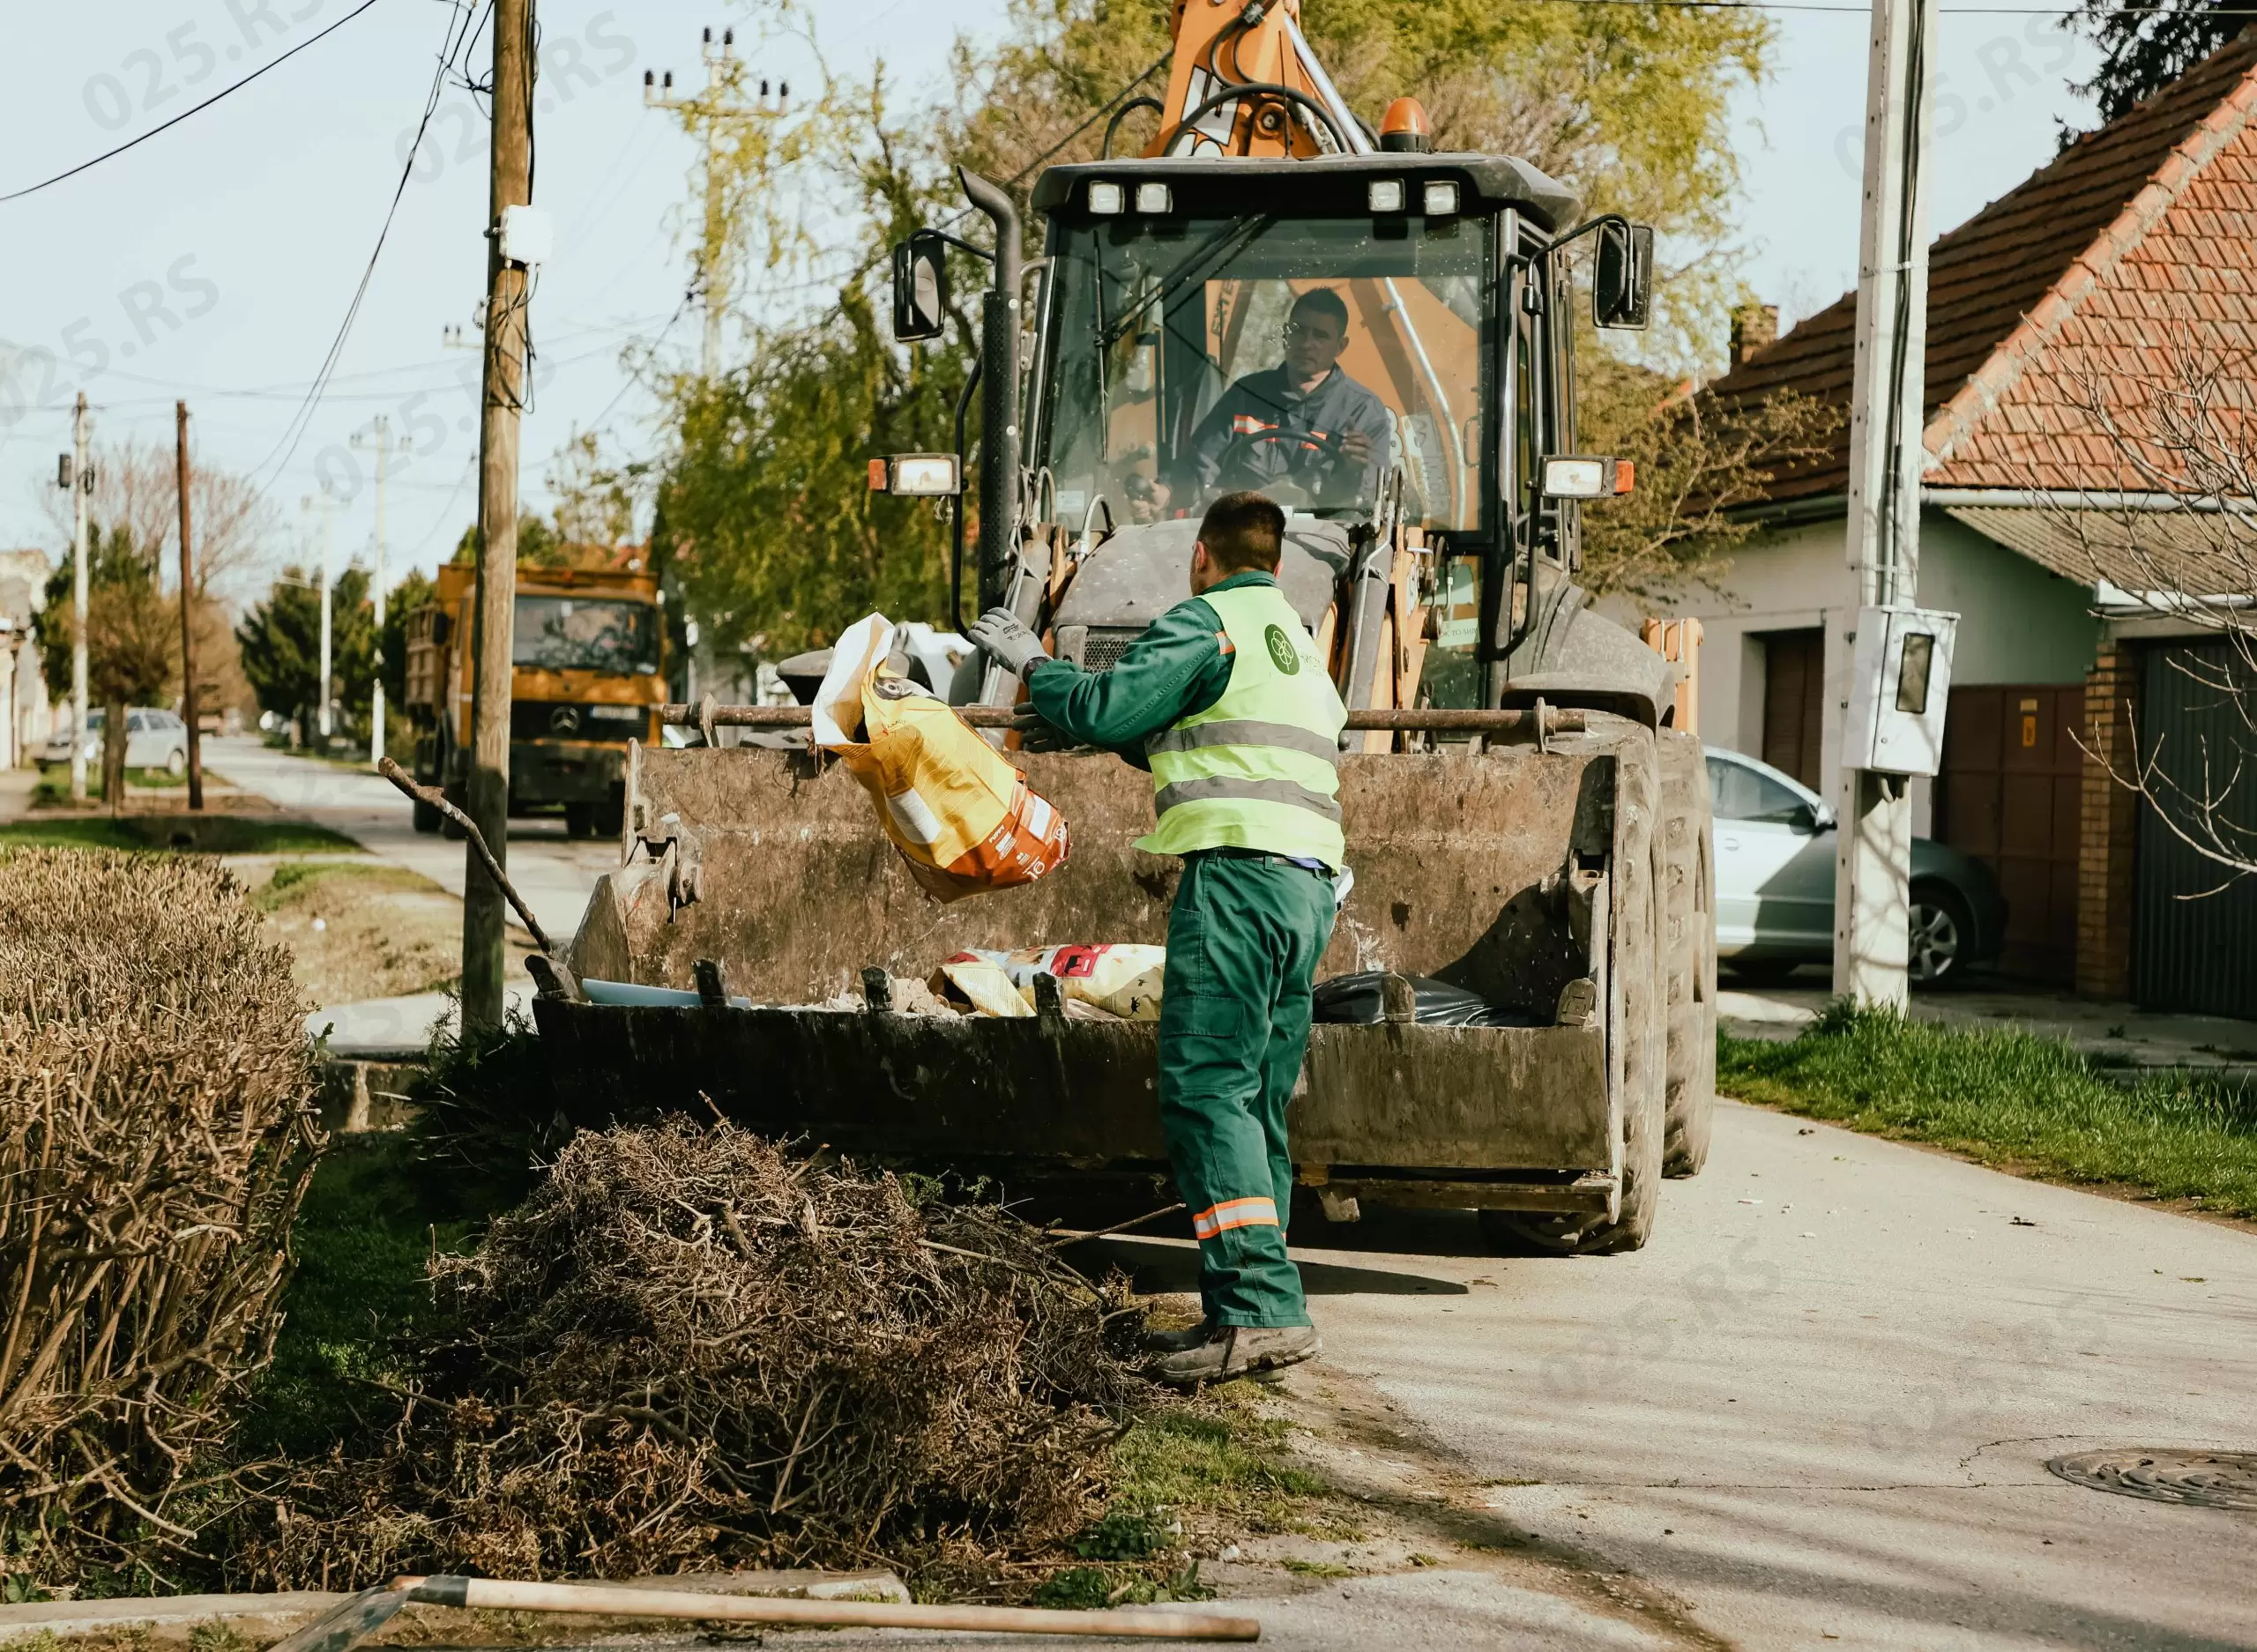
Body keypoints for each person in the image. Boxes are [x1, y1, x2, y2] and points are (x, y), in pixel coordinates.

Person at [968, 491, 1345, 1387]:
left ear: (1201, 559)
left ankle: (1256, 1307)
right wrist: (1105, 727)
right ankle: (1256, 1308)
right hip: (1305, 888)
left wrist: (1038, 664)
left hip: (1238, 880)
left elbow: (1108, 705)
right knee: (1254, 1097)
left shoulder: (1204, 622)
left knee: (1205, 1085)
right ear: (1279, 562)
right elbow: (1194, 731)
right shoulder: (1295, 647)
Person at [1146, 288, 1391, 517]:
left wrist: (1352, 469)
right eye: (1299, 330)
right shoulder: (1246, 395)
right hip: (1239, 533)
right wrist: (1167, 491)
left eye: (1320, 336)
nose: (1306, 343)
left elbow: (1370, 501)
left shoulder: (1364, 412)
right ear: (1286, 333)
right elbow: (1199, 464)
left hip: (1320, 543)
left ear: (1340, 346)